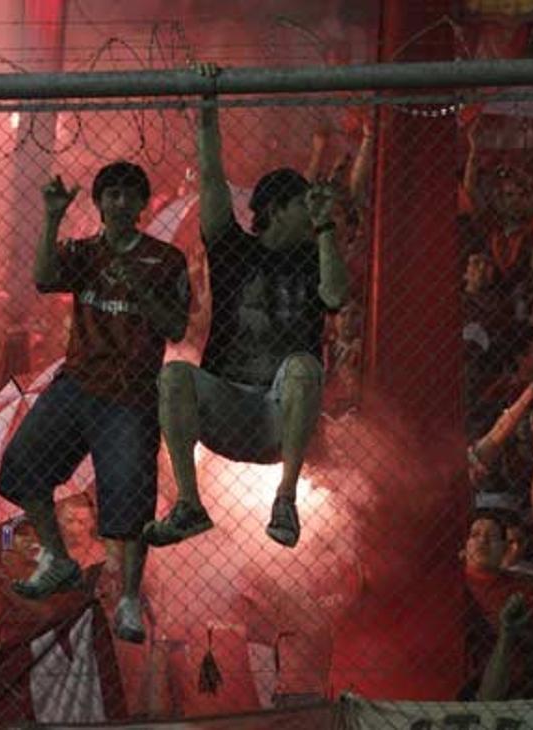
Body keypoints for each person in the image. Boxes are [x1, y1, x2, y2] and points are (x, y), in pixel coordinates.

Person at [144, 63, 348, 550]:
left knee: (302, 366)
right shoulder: (234, 249)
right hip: (229, 408)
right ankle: (189, 505)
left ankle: (286, 501)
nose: (313, 209)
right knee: (174, 375)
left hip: (281, 418)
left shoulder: (314, 251)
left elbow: (337, 296)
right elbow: (212, 177)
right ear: (277, 208)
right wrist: (208, 107)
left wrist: (325, 230)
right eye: (304, 204)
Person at [0, 160, 191, 644]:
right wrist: (53, 217)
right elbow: (43, 278)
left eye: (129, 194)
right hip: (78, 383)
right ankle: (58, 558)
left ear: (143, 204)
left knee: (129, 502)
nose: (120, 203)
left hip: (131, 395)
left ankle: (127, 598)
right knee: (20, 466)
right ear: (99, 203)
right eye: (111, 195)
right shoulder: (85, 252)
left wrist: (140, 286)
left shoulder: (166, 261)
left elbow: (176, 326)